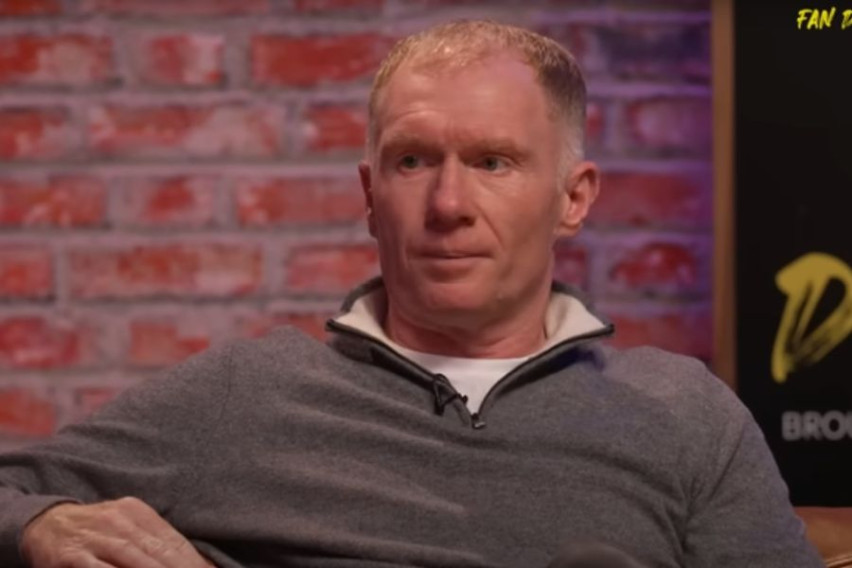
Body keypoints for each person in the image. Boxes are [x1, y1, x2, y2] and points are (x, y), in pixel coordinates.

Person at [0, 20, 822, 568]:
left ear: (573, 198)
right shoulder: (246, 393)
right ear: (370, 195)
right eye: (413, 161)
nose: (449, 203)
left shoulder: (685, 418)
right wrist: (41, 524)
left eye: (493, 162)